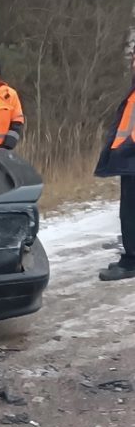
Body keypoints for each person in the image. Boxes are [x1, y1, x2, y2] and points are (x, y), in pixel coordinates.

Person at [95, 50, 135, 282]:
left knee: (130, 212)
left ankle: (130, 261)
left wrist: (126, 146)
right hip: (128, 158)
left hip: (131, 156)